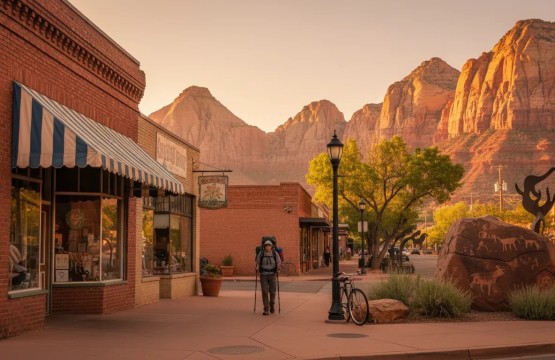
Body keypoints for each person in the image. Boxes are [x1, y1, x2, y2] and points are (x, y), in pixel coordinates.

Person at [255, 240, 281, 315]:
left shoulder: (275, 253)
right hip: (263, 275)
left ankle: (272, 304)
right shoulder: (261, 253)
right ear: (264, 247)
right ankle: (266, 309)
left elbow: (278, 262)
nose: (268, 247)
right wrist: (256, 267)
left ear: (271, 247)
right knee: (265, 292)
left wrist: (278, 268)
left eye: (269, 246)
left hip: (272, 275)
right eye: (266, 246)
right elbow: (257, 262)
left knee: (272, 292)